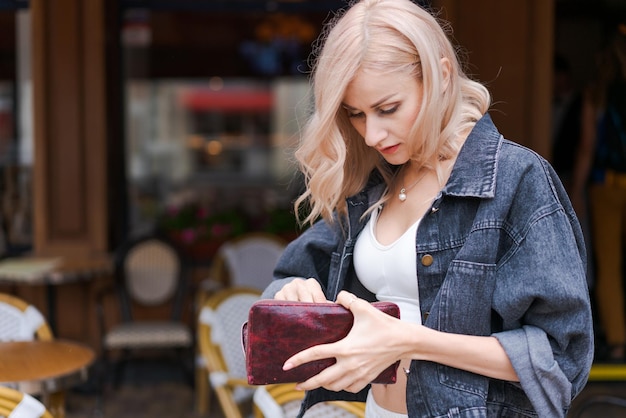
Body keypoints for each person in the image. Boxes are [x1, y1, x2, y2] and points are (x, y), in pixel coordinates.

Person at [262, 0, 594, 416]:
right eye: (356, 115)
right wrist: (293, 294)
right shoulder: (373, 182)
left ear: (442, 75)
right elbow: (288, 277)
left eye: (388, 109)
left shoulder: (516, 179)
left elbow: (559, 357)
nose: (372, 134)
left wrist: (410, 340)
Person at [570, 22, 626, 363]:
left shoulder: (596, 93)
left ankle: (618, 341)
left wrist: (575, 190)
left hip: (606, 184)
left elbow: (586, 148)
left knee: (608, 265)